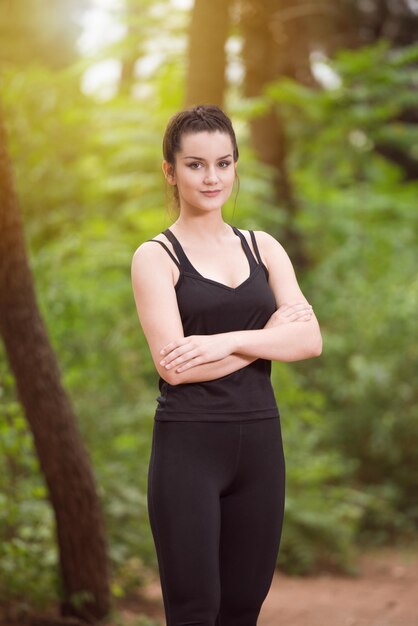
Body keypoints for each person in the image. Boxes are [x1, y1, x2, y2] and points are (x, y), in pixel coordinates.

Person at [131, 104, 322, 626]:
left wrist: (221, 343)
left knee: (242, 609)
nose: (211, 177)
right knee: (195, 611)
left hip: (261, 446)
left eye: (223, 163)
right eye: (194, 164)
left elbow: (309, 340)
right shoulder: (156, 257)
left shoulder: (263, 248)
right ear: (169, 171)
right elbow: (175, 366)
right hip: (188, 448)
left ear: (236, 165)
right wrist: (268, 338)